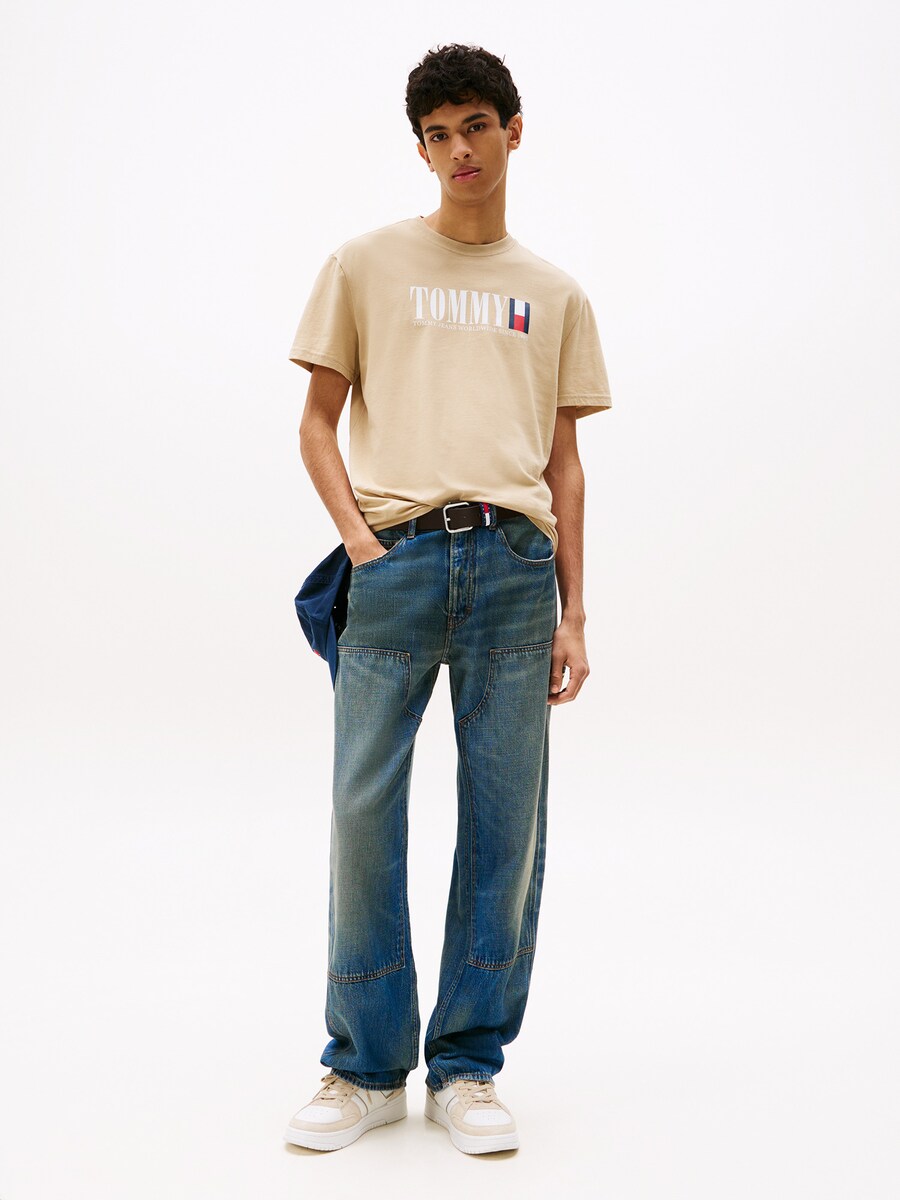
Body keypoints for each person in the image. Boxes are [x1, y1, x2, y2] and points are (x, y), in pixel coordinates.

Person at [283, 42, 612, 1155]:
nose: (458, 149)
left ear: (513, 131)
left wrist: (575, 611)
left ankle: (468, 1066)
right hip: (398, 562)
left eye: (476, 125)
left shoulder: (555, 293)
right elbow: (316, 424)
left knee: (506, 824)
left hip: (516, 569)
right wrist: (361, 544)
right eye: (437, 134)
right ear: (420, 149)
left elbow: (565, 466)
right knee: (362, 812)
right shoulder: (366, 265)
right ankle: (366, 1067)